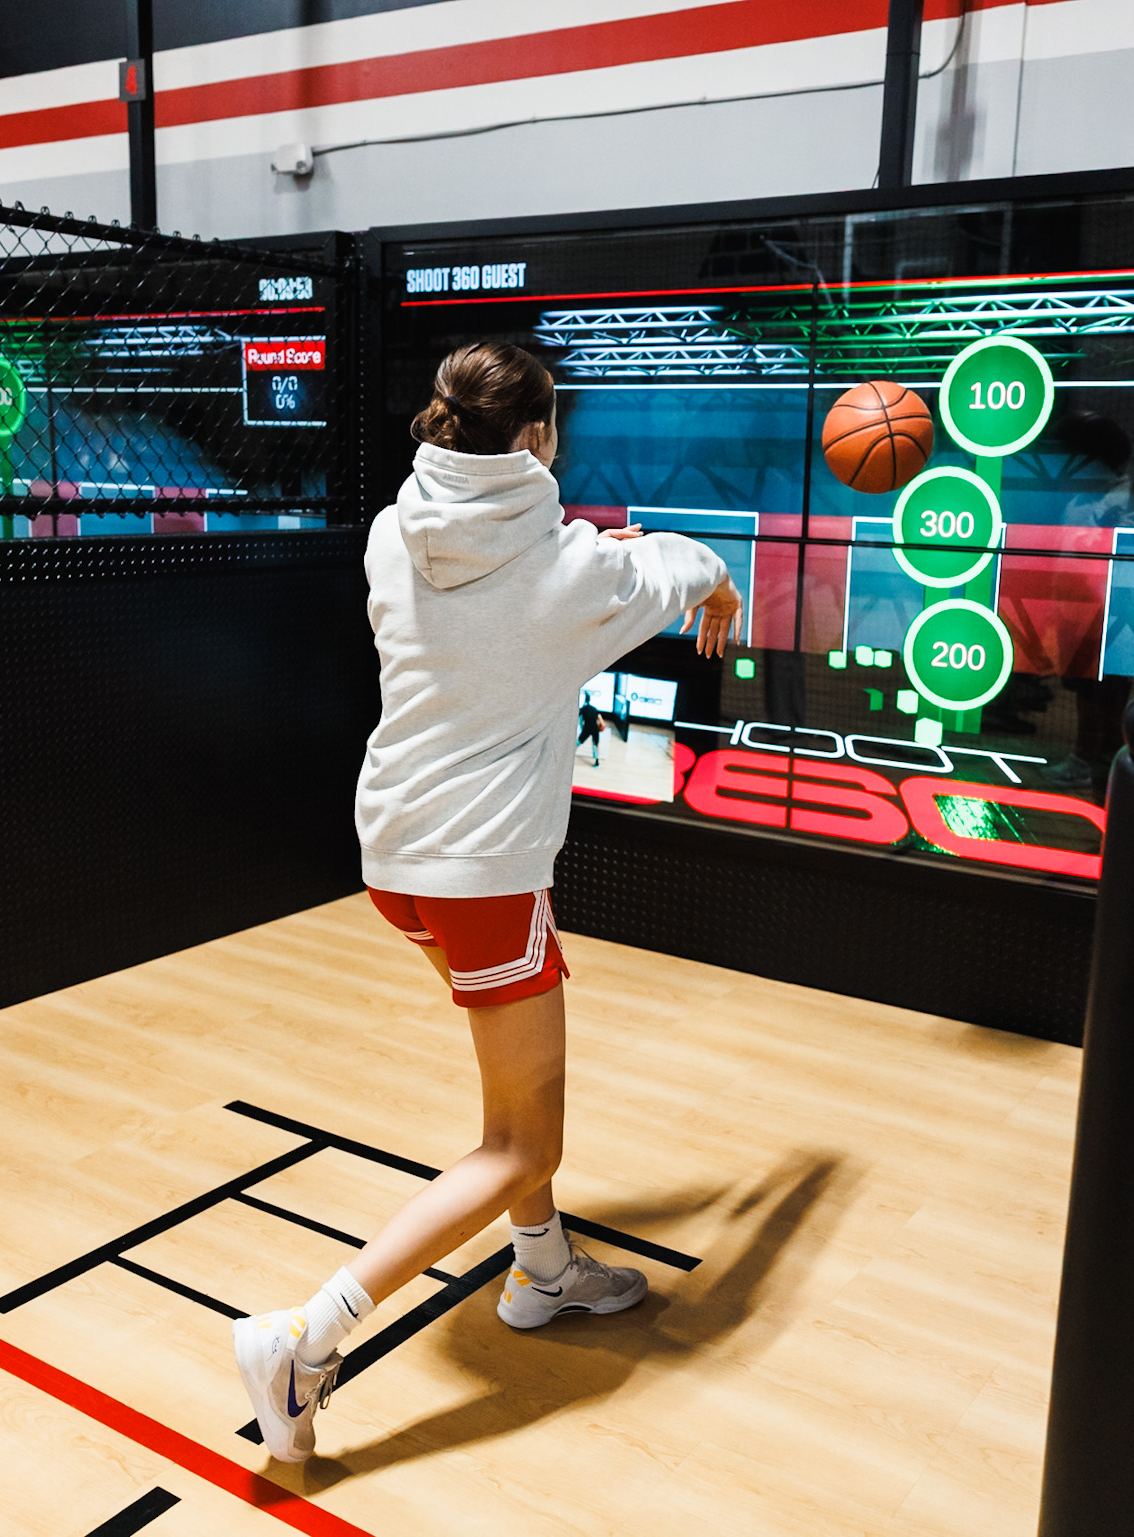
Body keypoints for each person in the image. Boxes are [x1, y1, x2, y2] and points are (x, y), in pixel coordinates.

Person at [233, 341, 742, 1462]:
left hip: (395, 861)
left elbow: (561, 566)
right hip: (483, 874)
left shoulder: (392, 529)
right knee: (519, 1140)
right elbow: (679, 562)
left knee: (515, 1089)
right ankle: (303, 1338)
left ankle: (544, 1270)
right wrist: (713, 580)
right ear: (539, 437)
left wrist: (617, 557)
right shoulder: (576, 576)